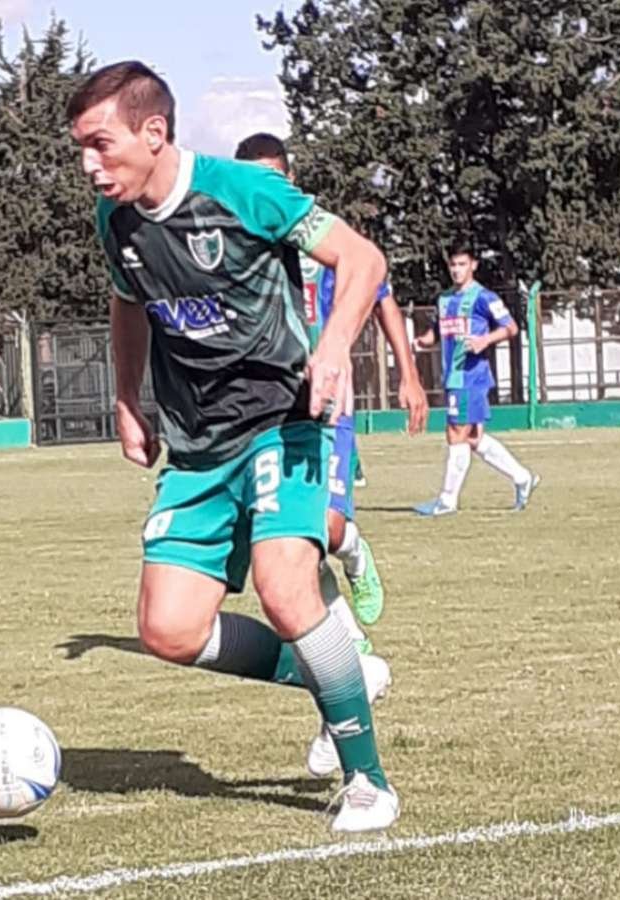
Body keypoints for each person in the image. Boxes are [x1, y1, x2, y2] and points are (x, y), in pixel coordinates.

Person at [68, 61, 399, 831]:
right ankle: (341, 674)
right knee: (169, 630)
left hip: (285, 419)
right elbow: (129, 304)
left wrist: (332, 346)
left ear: (154, 132)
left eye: (100, 144)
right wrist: (126, 398)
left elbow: (364, 260)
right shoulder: (114, 221)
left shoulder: (245, 191)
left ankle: (369, 783)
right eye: (80, 148)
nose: (89, 164)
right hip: (197, 447)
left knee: (286, 589)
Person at [234, 133, 428, 778]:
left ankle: (357, 554)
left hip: (325, 403)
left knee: (327, 527)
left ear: (289, 178)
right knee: (289, 565)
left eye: (272, 176)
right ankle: (348, 677)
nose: (262, 188)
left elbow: (380, 295)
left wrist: (408, 374)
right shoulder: (232, 242)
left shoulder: (317, 235)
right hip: (256, 415)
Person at [413, 242, 539, 515]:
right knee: (472, 438)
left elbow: (511, 328)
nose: (457, 270)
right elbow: (438, 331)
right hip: (453, 376)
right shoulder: (445, 299)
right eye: (453, 265)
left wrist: (485, 340)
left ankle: (446, 501)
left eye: (462, 264)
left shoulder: (485, 297)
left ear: (473, 265)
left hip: (471, 376)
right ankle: (522, 477)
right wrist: (423, 341)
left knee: (455, 433)